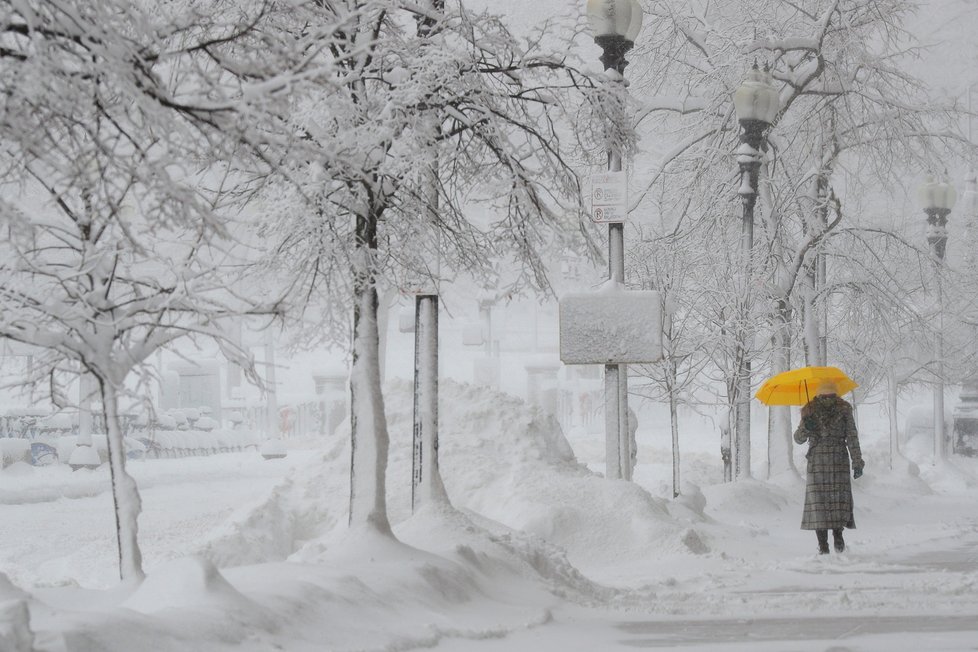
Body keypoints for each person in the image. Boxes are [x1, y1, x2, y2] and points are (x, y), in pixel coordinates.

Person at [793, 380, 865, 554]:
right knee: (832, 501)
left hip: (824, 461)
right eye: (825, 396)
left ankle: (829, 540)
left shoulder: (816, 410)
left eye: (830, 396)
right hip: (831, 460)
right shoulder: (820, 411)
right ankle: (831, 540)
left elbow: (852, 437)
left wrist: (857, 462)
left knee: (824, 502)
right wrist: (805, 427)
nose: (827, 399)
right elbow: (798, 438)